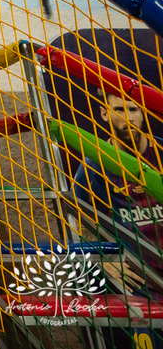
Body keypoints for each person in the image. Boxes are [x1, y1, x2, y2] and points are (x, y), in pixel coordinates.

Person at [72, 90, 162, 348]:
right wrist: (103, 259)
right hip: (141, 281)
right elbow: (79, 221)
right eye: (120, 110)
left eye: (134, 110)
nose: (129, 118)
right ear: (104, 113)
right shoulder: (95, 165)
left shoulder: (161, 152)